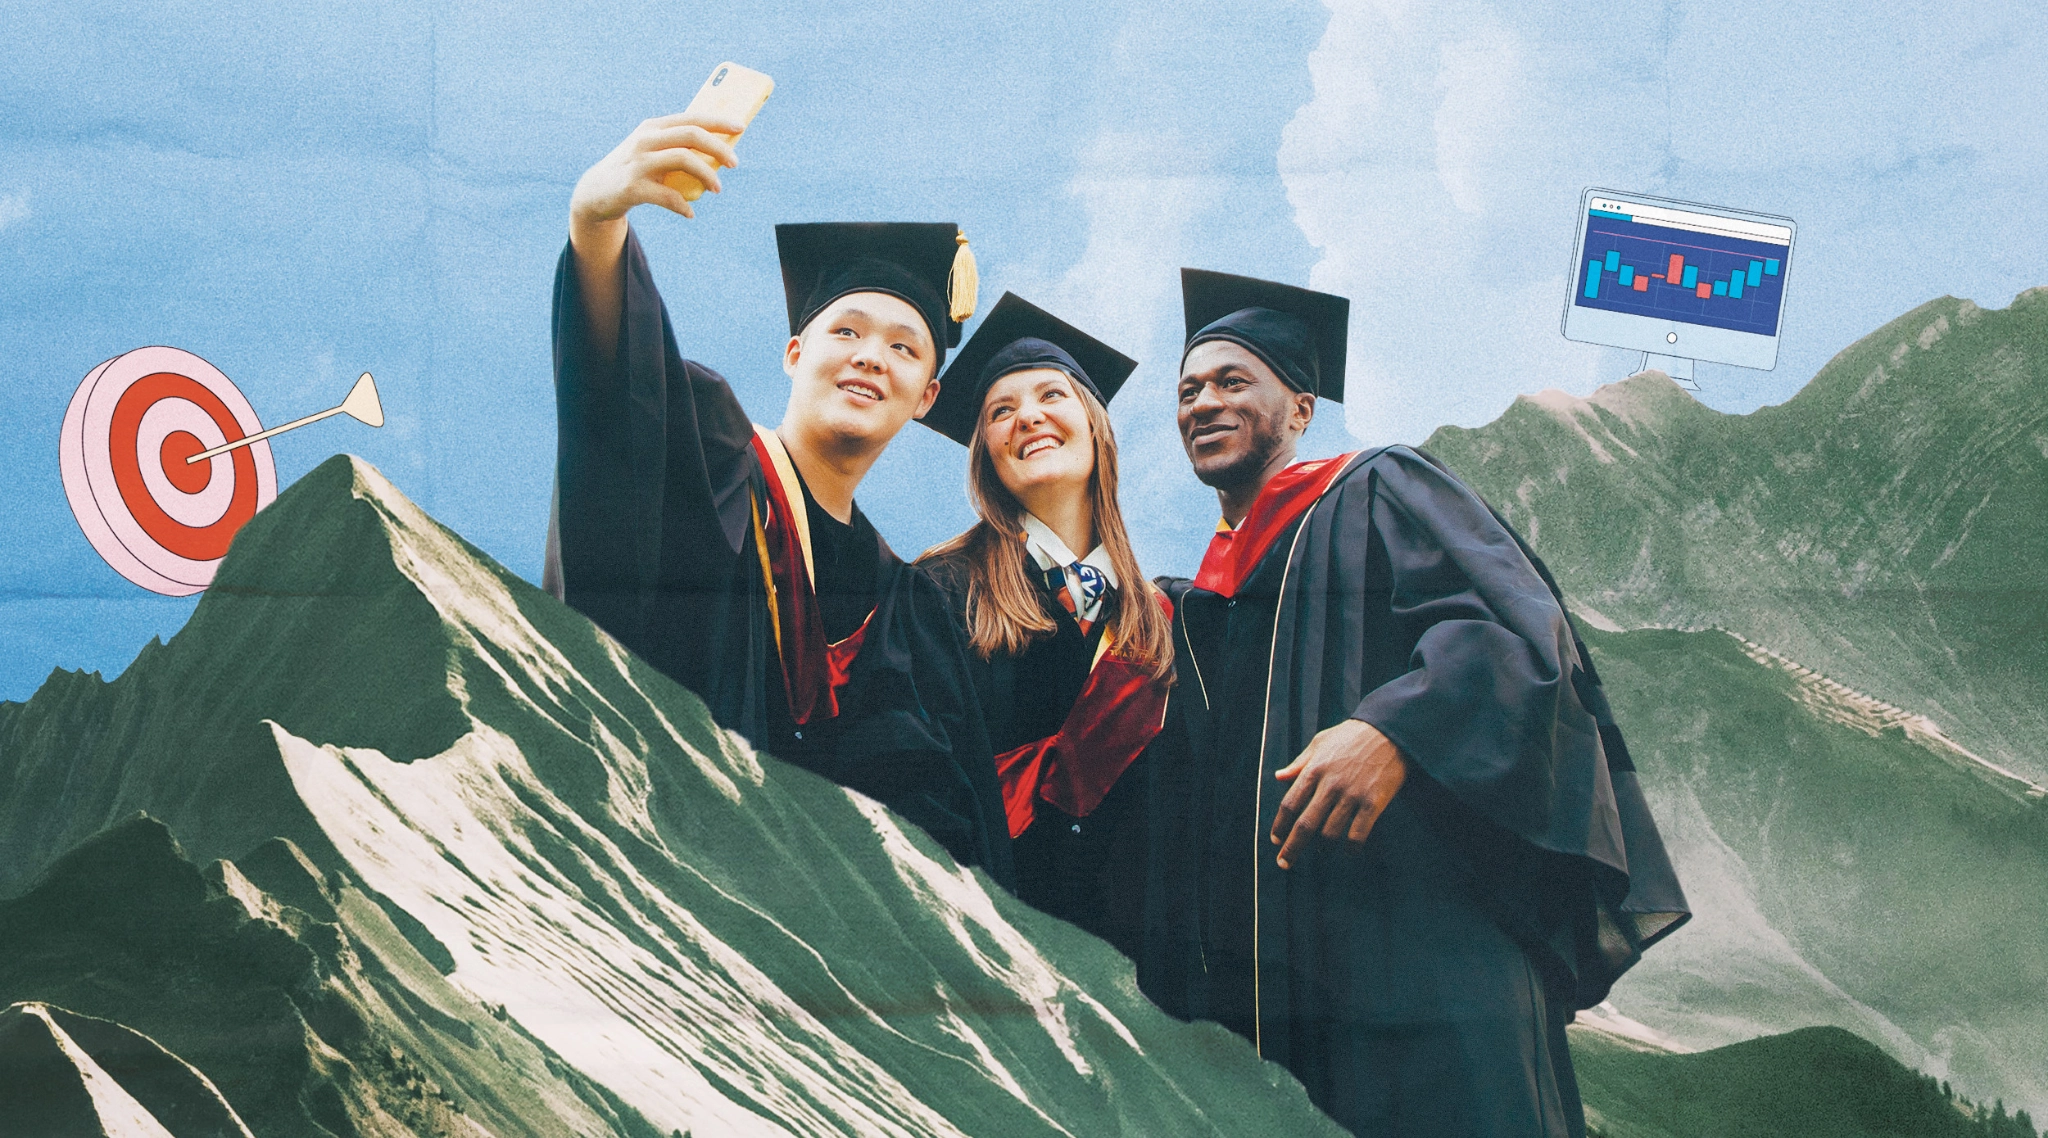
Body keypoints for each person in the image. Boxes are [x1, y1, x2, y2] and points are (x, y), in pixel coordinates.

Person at [1140, 269, 1689, 1137]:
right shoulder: (1195, 608)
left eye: (1232, 381)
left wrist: (1391, 728)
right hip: (1284, 1001)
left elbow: (1515, 630)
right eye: (1187, 391)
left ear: (1302, 408)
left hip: (1427, 950)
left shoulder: (1378, 488)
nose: (1203, 402)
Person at [543, 109, 1014, 889]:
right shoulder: (711, 452)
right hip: (663, 888)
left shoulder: (912, 613)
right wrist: (597, 227)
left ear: (927, 395)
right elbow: (618, 402)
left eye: (904, 346)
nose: (871, 357)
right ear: (795, 352)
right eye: (847, 332)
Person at [915, 294, 1174, 958]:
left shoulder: (1158, 623)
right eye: (1001, 411)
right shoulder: (939, 592)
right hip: (983, 943)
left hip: (1128, 969)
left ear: (1095, 425)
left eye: (1050, 395)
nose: (1027, 415)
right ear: (987, 455)